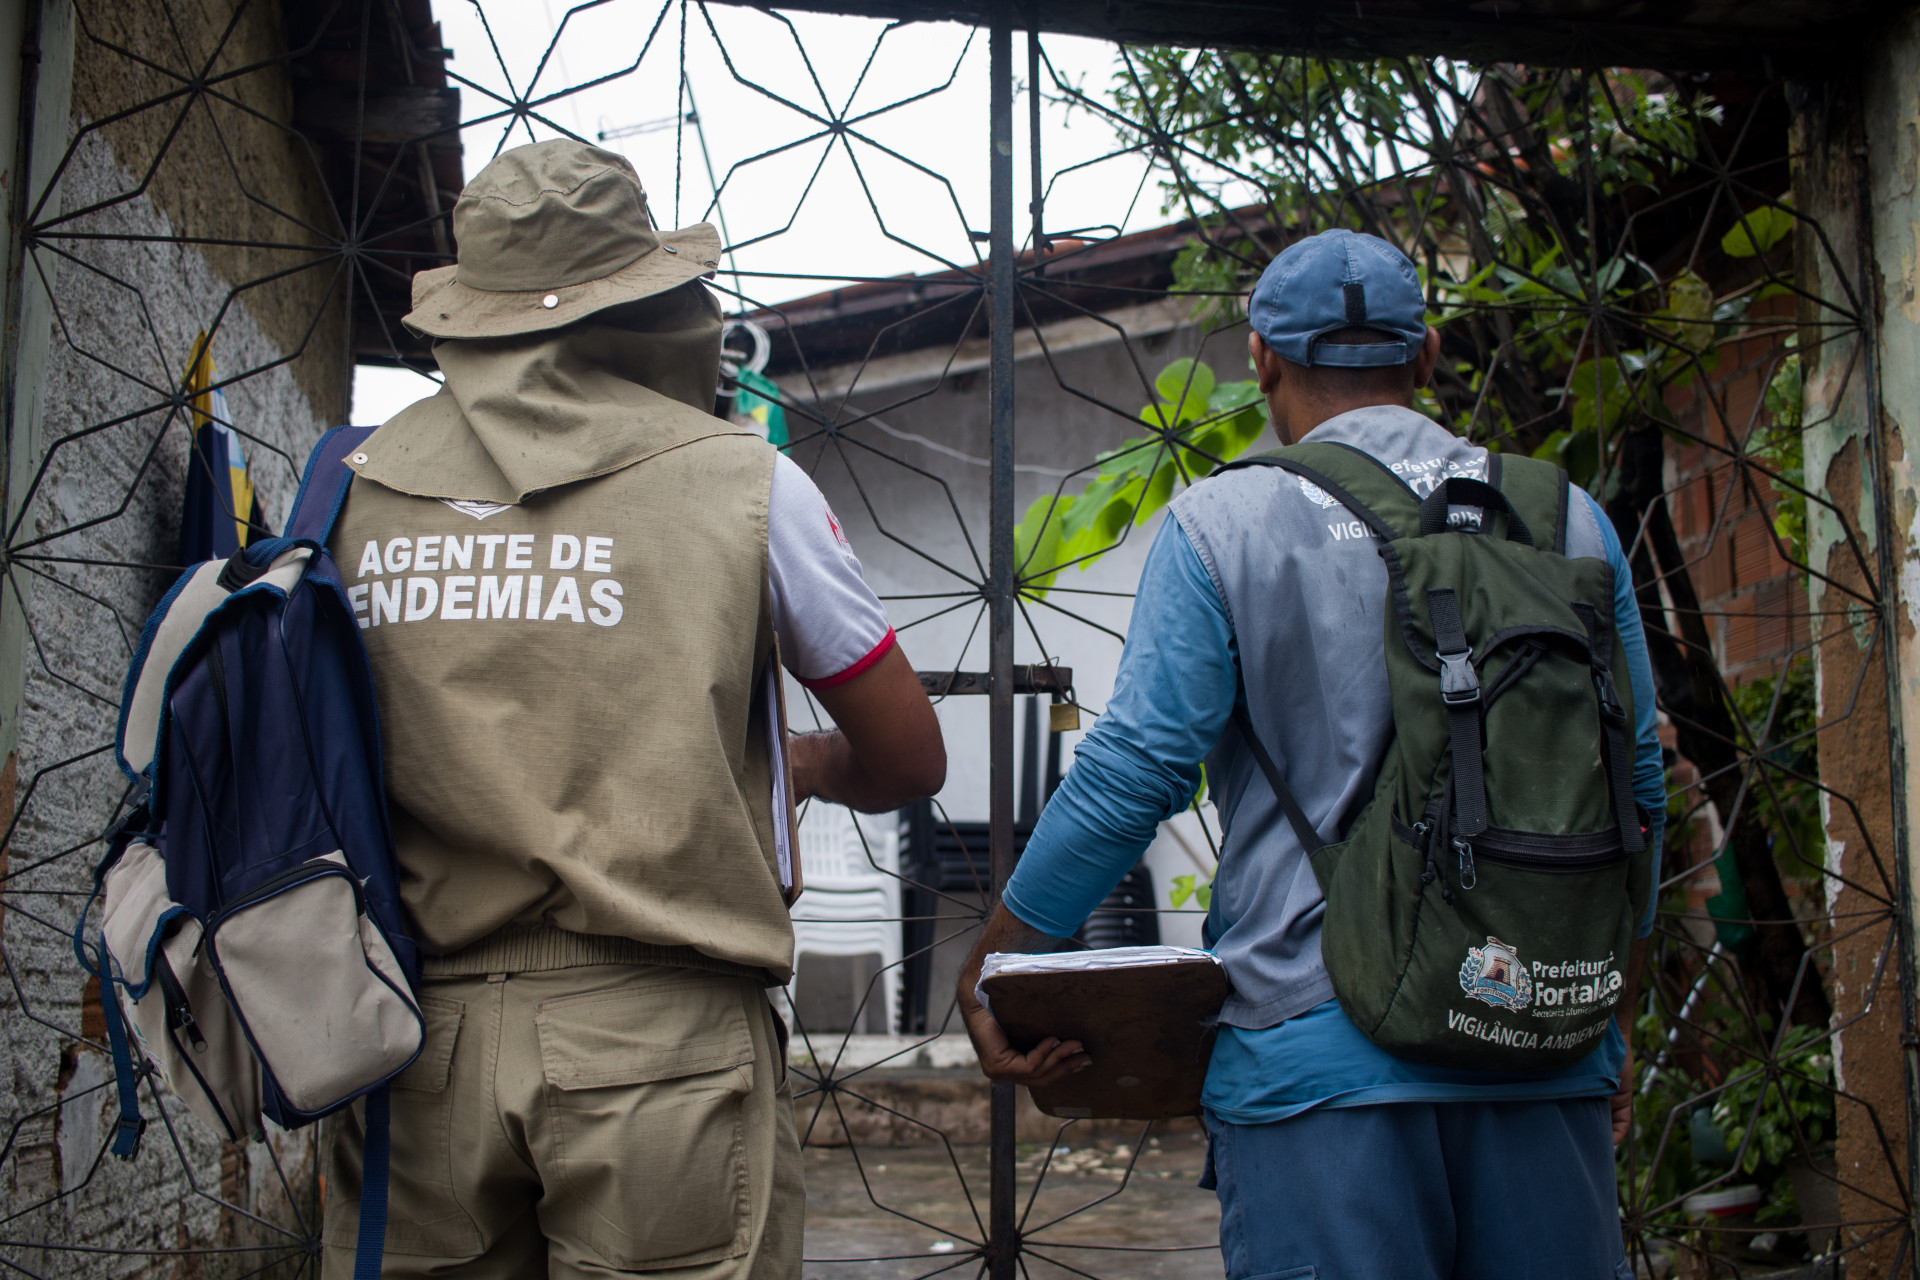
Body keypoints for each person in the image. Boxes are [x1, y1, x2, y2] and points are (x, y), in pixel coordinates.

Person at [957, 229, 1662, 1280]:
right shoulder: (1569, 521)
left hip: (1318, 1062)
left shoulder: (1221, 524)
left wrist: (998, 961)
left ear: (1261, 360)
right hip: (1537, 1043)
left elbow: (1135, 772)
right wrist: (1606, 1009)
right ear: (1427, 355)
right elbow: (1639, 787)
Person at [320, 139, 946, 1280]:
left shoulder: (347, 489)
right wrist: (802, 763)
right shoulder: (746, 482)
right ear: (649, 301)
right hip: (664, 1053)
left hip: (412, 1041)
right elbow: (908, 755)